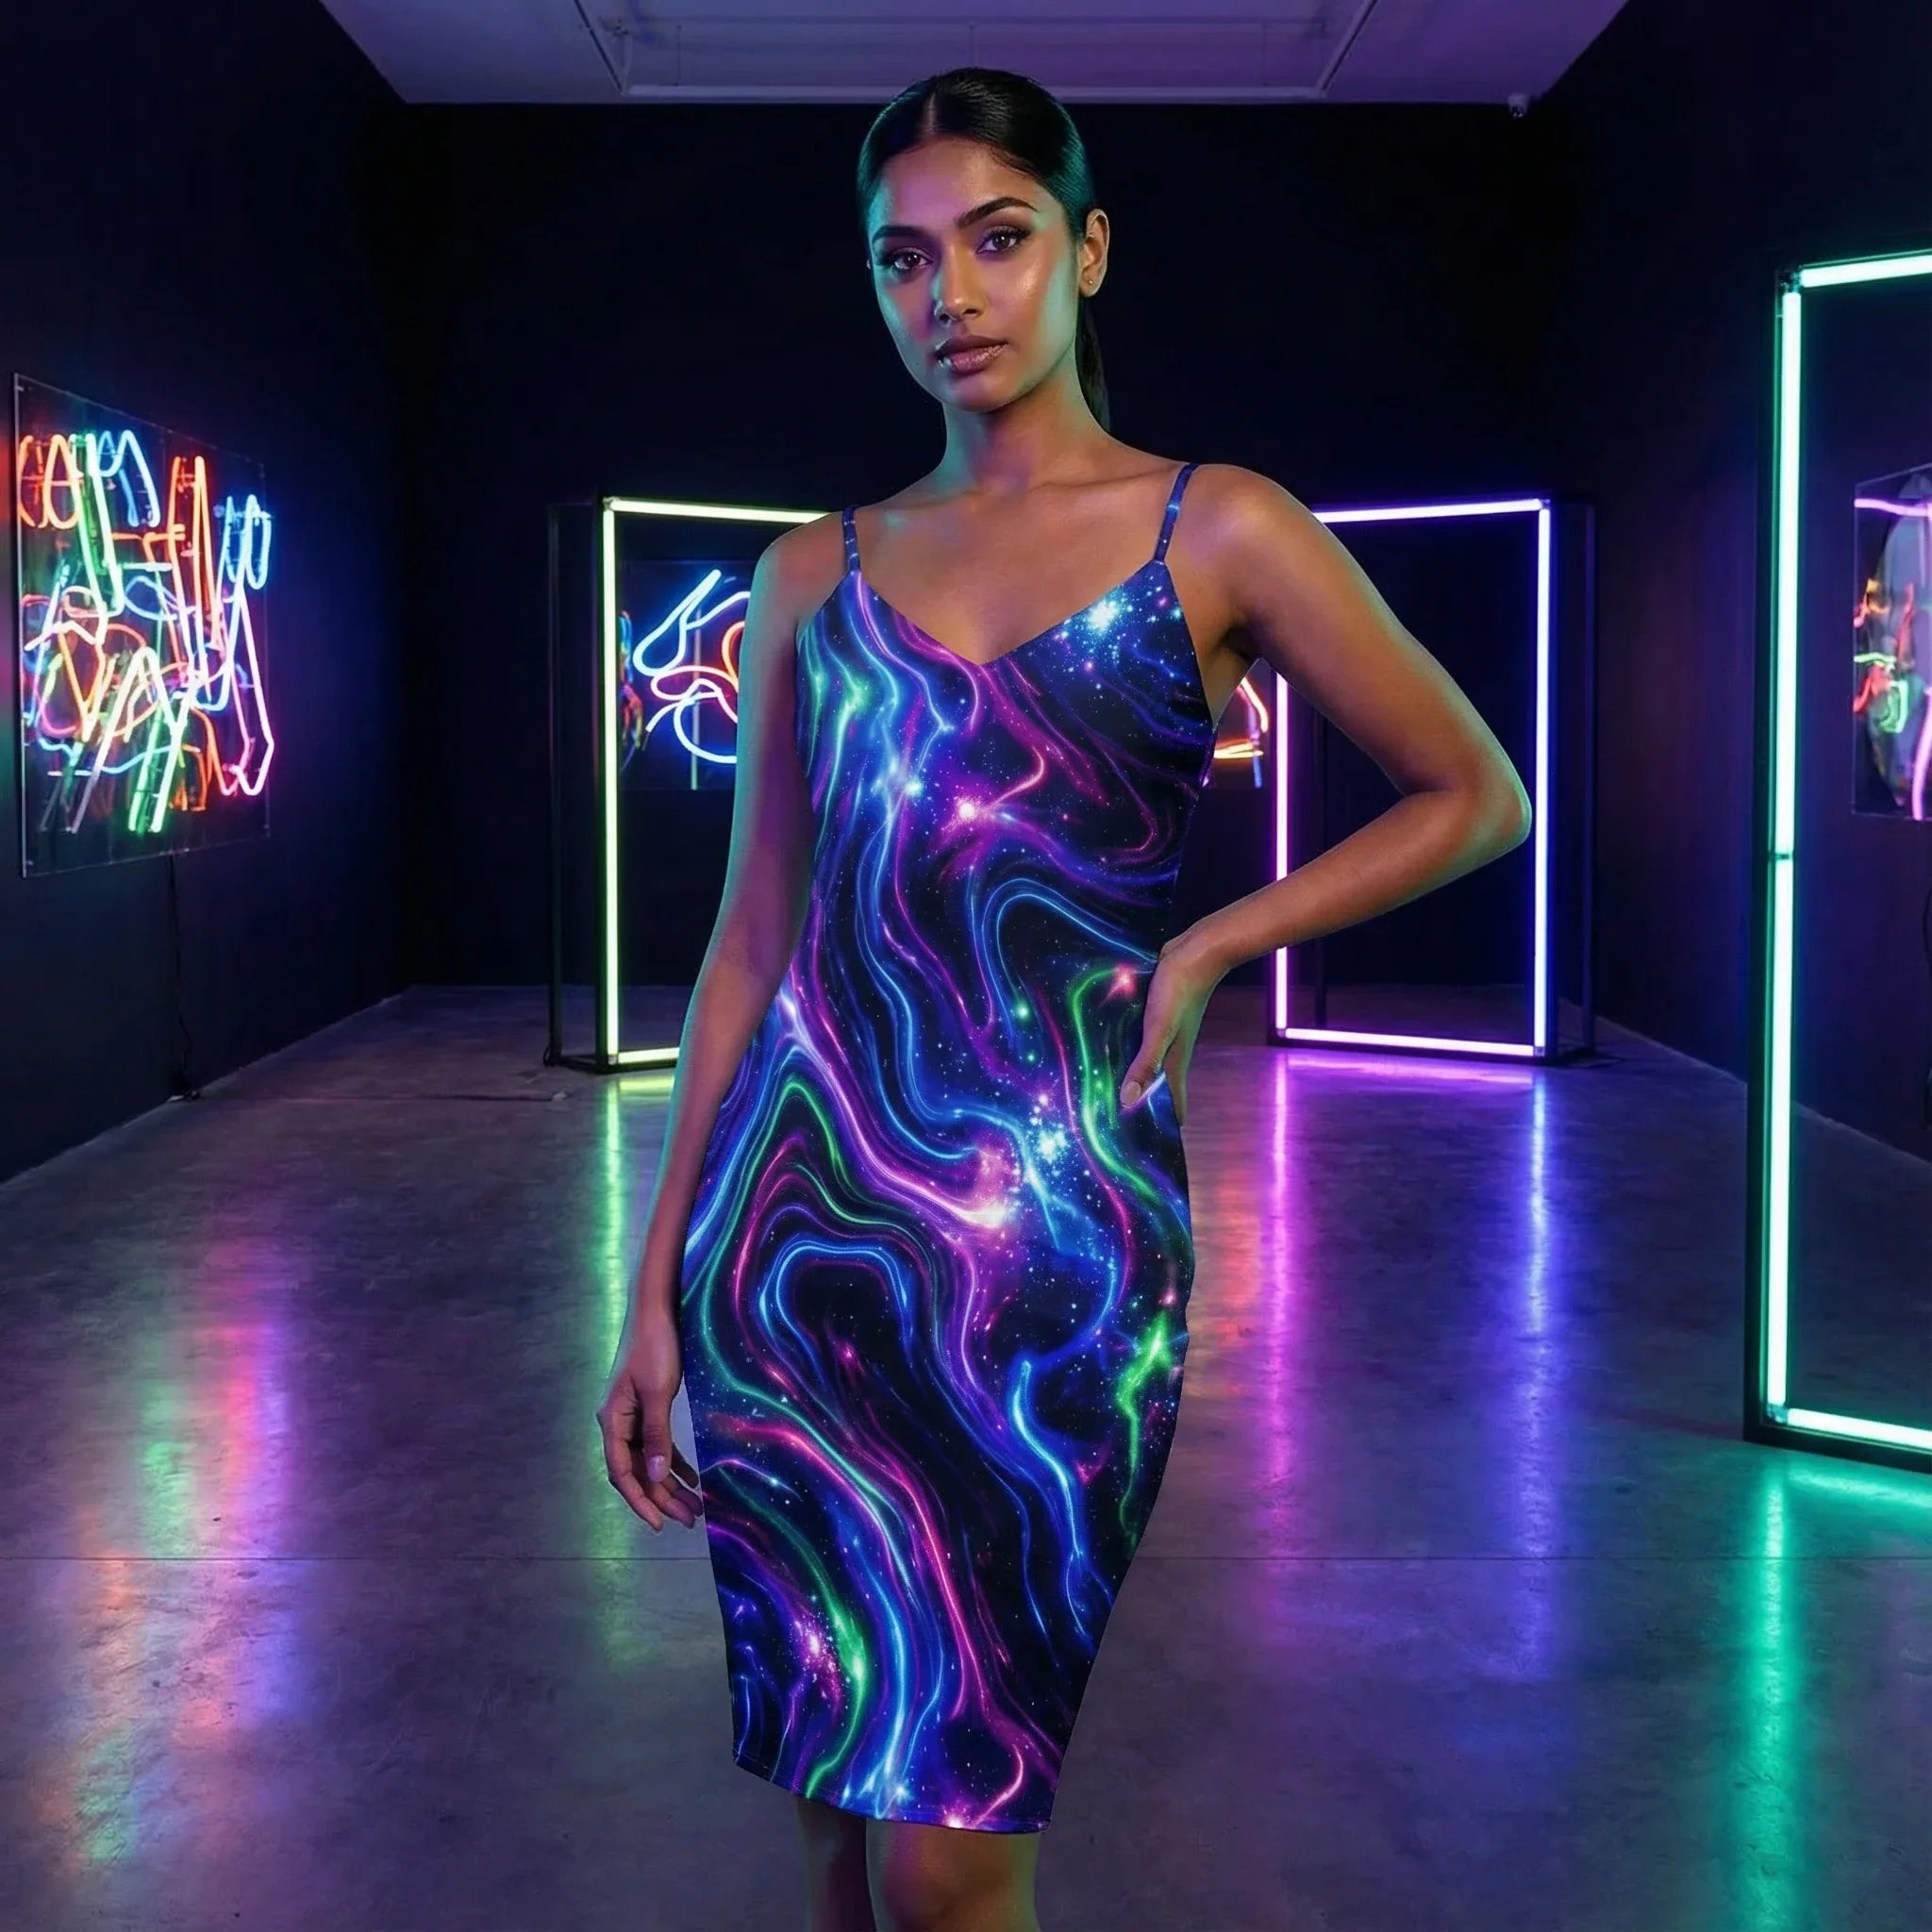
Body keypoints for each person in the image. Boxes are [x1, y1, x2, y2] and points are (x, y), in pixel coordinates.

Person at [597, 65, 1531, 1932]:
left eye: (998, 239)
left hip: (1060, 1265)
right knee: (828, 1805)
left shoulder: (1220, 529)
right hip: (795, 1259)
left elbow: (1475, 793)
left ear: (1087, 252)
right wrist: (652, 1286)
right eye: (903, 258)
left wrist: (1210, 943)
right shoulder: (808, 573)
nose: (950, 294)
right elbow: (750, 944)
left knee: (950, 1854)